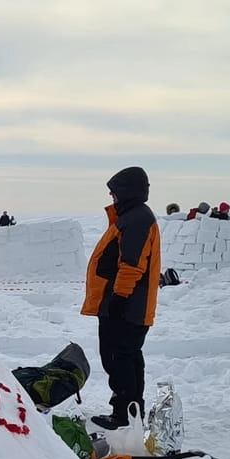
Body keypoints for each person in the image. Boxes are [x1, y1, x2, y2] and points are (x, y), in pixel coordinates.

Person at [81, 167, 161, 431]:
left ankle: (124, 415)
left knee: (118, 358)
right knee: (126, 356)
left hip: (126, 306)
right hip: (127, 305)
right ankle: (131, 411)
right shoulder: (132, 217)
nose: (111, 196)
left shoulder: (136, 219)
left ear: (126, 192)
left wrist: (119, 297)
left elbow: (132, 264)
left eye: (114, 192)